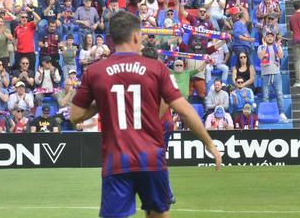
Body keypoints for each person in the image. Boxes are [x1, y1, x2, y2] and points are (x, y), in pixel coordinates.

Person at [70, 11, 221, 218]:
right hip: (151, 158)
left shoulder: (95, 71)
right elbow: (184, 110)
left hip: (116, 160)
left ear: (111, 39)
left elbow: (75, 115)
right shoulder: (156, 68)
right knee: (158, 214)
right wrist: (209, 143)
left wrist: (102, 99)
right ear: (135, 36)